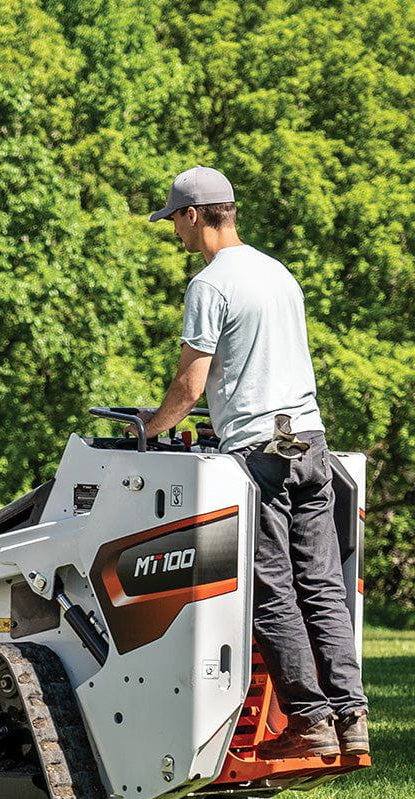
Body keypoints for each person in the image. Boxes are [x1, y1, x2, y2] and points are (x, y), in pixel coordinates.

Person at [140, 165, 369, 758]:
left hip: (259, 454)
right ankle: (352, 717)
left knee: (270, 590)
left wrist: (150, 428)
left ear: (195, 215)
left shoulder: (210, 284)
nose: (175, 234)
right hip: (309, 443)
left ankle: (311, 723)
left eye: (175, 221)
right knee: (321, 586)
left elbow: (189, 387)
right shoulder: (278, 274)